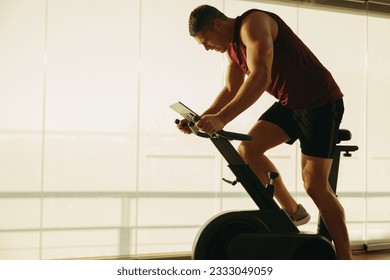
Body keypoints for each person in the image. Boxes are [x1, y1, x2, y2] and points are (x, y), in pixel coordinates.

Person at [177, 5, 351, 259]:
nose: (206, 48)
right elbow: (229, 90)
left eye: (205, 41)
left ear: (217, 24)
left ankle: (346, 261)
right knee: (248, 149)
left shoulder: (253, 24)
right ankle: (294, 211)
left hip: (320, 102)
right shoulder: (233, 50)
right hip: (290, 104)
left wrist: (222, 118)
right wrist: (201, 119)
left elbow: (260, 77)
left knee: (315, 185)